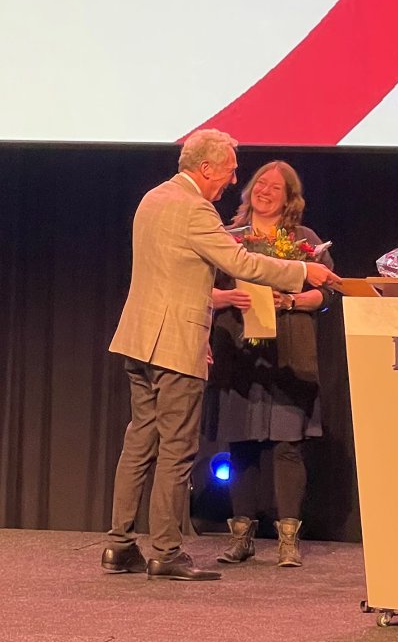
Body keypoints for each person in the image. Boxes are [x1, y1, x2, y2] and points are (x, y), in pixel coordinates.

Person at [102, 132, 340, 582]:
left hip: (139, 338)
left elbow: (173, 274)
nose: (234, 179)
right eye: (230, 169)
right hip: (173, 344)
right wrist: (304, 270)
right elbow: (243, 264)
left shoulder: (153, 197)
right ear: (206, 167)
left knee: (138, 442)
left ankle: (119, 545)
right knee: (176, 450)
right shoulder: (195, 208)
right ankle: (166, 551)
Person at [209, 161, 334, 568]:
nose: (265, 191)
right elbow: (201, 289)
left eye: (275, 188)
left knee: (287, 445)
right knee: (241, 443)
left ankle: (287, 541)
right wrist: (229, 298)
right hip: (240, 349)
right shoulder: (228, 239)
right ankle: (242, 538)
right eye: (260, 183)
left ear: (289, 198)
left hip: (290, 351)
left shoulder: (304, 241)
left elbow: (327, 293)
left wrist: (291, 300)